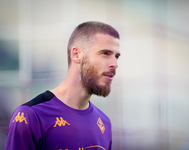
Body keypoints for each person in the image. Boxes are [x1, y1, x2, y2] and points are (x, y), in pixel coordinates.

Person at [6, 21, 120, 150]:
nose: (115, 64)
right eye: (105, 53)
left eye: (116, 56)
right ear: (76, 55)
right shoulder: (30, 116)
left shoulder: (104, 122)